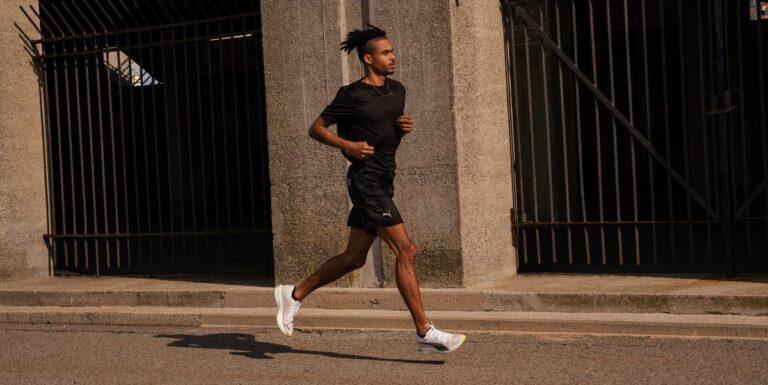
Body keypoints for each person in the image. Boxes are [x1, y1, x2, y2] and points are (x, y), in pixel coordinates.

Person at [274, 24, 466, 354]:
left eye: (393, 52)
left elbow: (386, 132)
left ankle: (293, 294)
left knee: (353, 258)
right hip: (365, 181)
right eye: (386, 53)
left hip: (384, 179)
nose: (393, 57)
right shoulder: (350, 95)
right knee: (407, 251)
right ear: (368, 58)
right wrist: (347, 145)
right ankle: (424, 331)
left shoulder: (398, 90)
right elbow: (316, 129)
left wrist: (403, 128)